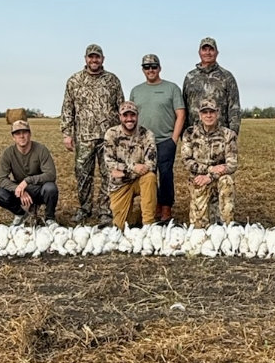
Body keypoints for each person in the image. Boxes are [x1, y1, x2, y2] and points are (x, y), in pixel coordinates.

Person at [60, 43, 124, 225]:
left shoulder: (112, 80)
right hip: (83, 137)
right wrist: (67, 133)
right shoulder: (74, 81)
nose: (94, 60)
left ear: (103, 59)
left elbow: (121, 107)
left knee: (109, 174)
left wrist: (121, 134)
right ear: (86, 59)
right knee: (83, 174)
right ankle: (84, 208)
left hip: (108, 138)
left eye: (97, 57)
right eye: (91, 57)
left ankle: (105, 210)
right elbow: (67, 108)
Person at [129, 53, 186, 221]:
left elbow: (181, 114)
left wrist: (174, 139)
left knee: (166, 175)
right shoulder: (136, 91)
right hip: (144, 144)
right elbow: (131, 116)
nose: (150, 70)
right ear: (143, 70)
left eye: (154, 67)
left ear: (159, 68)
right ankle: (153, 207)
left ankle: (166, 208)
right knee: (148, 176)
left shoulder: (171, 88)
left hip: (165, 140)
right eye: (147, 67)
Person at [181, 99, 238, 228]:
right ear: (200, 115)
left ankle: (227, 226)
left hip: (219, 178)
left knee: (227, 180)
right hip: (198, 179)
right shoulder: (189, 133)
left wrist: (210, 176)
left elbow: (232, 164)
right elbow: (186, 161)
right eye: (205, 112)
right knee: (198, 227)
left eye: (211, 112)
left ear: (217, 113)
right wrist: (210, 169)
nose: (208, 115)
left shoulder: (228, 135)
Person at [103, 101, 158, 230]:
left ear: (137, 116)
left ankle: (149, 224)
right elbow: (109, 163)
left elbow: (151, 164)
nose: (129, 119)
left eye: (132, 115)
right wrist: (133, 168)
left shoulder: (147, 135)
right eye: (125, 115)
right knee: (120, 226)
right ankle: (135, 217)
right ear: (120, 117)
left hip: (139, 180)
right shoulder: (111, 134)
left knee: (150, 177)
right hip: (120, 184)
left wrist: (122, 170)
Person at [0, 120, 59, 225]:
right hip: (19, 191)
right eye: (17, 133)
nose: (21, 136)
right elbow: (1, 179)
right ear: (13, 137)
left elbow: (51, 174)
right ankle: (21, 214)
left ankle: (50, 218)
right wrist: (18, 189)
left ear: (30, 134)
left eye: (25, 132)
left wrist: (27, 181)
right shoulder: (8, 153)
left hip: (38, 188)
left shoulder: (41, 149)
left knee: (51, 188)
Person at [182, 36, 241, 135]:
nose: (207, 53)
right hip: (195, 136)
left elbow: (234, 108)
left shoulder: (227, 77)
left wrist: (233, 134)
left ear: (217, 53)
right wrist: (185, 134)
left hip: (221, 137)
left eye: (211, 49)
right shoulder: (190, 77)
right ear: (199, 52)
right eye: (204, 49)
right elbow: (184, 107)